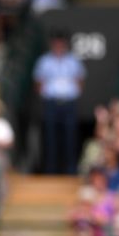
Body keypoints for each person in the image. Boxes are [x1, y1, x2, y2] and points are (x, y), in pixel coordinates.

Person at [33, 29, 86, 174]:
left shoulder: (73, 61)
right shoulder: (44, 61)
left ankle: (70, 170)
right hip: (51, 103)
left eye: (61, 43)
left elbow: (80, 80)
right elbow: (38, 82)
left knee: (70, 137)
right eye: (56, 43)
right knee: (50, 138)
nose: (58, 46)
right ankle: (51, 170)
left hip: (69, 104)